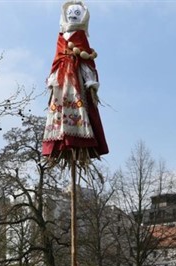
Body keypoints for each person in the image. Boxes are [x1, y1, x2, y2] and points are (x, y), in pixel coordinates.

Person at [42, 0, 108, 162]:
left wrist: (90, 83)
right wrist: (53, 78)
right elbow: (57, 59)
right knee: (61, 109)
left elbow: (86, 62)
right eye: (70, 15)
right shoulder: (61, 37)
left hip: (76, 80)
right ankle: (63, 140)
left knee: (80, 107)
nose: (72, 18)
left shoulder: (80, 37)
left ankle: (78, 138)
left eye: (76, 15)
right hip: (62, 80)